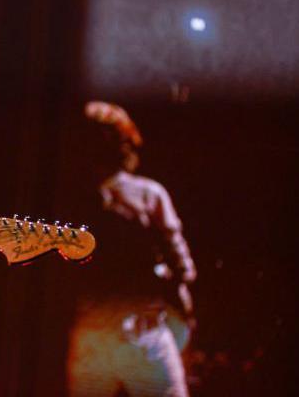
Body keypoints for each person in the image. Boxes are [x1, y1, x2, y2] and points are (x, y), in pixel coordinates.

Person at [67, 102, 197, 397]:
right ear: (124, 143)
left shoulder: (68, 201)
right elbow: (182, 268)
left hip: (88, 334)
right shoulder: (148, 195)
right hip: (142, 332)